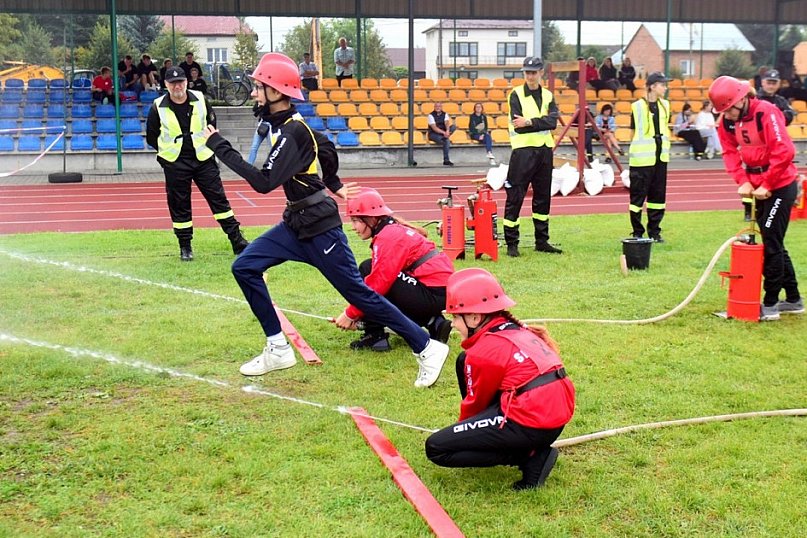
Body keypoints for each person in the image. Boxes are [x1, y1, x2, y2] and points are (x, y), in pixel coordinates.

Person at [200, 52, 450, 386]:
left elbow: (263, 183)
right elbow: (327, 148)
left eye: (259, 87)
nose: (255, 93)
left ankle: (426, 347)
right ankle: (278, 349)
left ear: (276, 91)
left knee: (361, 295)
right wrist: (335, 185)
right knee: (244, 267)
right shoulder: (287, 126)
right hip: (295, 223)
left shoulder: (293, 132)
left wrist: (219, 145)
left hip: (321, 230)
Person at [425, 268, 575, 491]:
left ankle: (530, 457)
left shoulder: (484, 351)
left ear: (475, 318)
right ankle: (532, 448)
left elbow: (475, 404)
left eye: (456, 317)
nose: (453, 324)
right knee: (462, 360)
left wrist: (466, 432)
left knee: (436, 447)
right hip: (555, 416)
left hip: (532, 421)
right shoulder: (517, 330)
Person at [709, 76, 803, 321]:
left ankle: (770, 304)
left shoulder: (766, 113)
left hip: (780, 185)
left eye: (728, 109)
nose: (726, 115)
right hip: (756, 186)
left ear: (741, 100)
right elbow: (729, 153)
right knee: (774, 241)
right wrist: (743, 180)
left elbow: (785, 151)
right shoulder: (727, 122)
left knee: (771, 243)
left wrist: (768, 183)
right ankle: (793, 299)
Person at [145, 67, 249, 262]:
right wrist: (168, 155)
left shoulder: (201, 99)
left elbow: (211, 126)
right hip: (175, 162)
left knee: (219, 200)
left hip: (203, 159)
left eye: (181, 82)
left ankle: (237, 241)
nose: (178, 86)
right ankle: (185, 246)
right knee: (179, 205)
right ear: (166, 85)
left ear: (187, 82)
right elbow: (152, 136)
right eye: (173, 83)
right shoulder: (157, 106)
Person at [334, 188, 455, 351]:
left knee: (368, 270)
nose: (353, 227)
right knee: (374, 272)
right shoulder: (391, 229)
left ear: (371, 219)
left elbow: (377, 284)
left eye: (356, 220)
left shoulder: (388, 236)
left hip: (432, 293)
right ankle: (433, 322)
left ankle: (375, 336)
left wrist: (351, 314)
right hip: (437, 292)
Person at [504, 56, 561, 257]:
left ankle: (542, 241)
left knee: (543, 197)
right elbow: (518, 128)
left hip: (544, 151)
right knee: (515, 196)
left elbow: (553, 122)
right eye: (527, 72)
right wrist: (538, 122)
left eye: (533, 72)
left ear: (541, 73)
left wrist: (529, 122)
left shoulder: (548, 95)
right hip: (523, 152)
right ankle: (512, 243)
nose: (530, 75)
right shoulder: (516, 94)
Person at [628, 72, 671, 243]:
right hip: (641, 160)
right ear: (653, 86)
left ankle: (655, 231)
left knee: (658, 198)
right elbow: (632, 132)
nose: (665, 87)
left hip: (660, 158)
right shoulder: (637, 106)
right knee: (637, 197)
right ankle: (637, 231)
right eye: (662, 84)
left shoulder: (665, 105)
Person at [427, 102, 457, 166]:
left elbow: (446, 123)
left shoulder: (445, 114)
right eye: (436, 106)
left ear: (441, 107)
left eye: (439, 106)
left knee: (453, 127)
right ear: (434, 107)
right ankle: (446, 160)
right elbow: (434, 128)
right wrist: (444, 133)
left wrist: (448, 131)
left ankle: (445, 137)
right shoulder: (431, 115)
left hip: (443, 133)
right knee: (447, 140)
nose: (438, 108)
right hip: (433, 134)